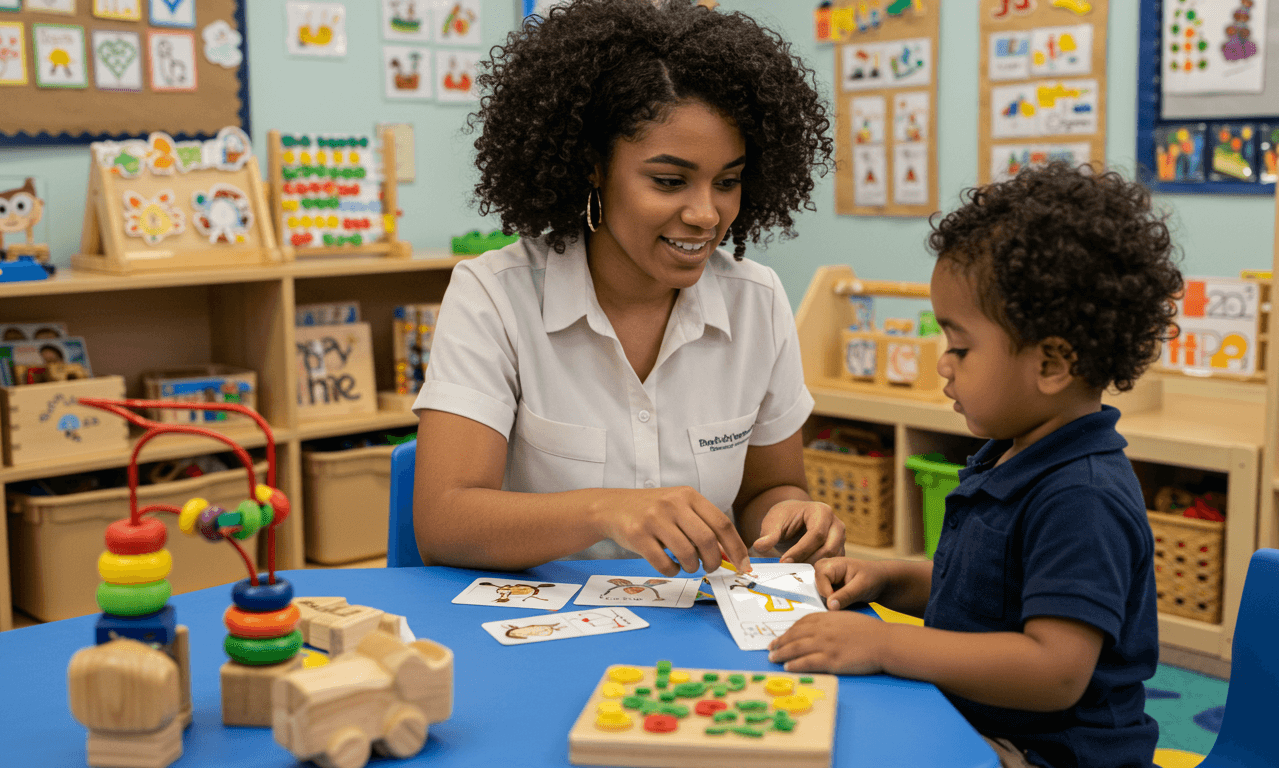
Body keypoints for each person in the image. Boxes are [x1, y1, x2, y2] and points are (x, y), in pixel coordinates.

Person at [768, 163, 1184, 768]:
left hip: (1052, 755)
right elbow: (994, 596)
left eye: (960, 347)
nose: (944, 363)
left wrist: (886, 642)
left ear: (1051, 364)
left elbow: (1053, 670)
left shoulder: (1082, 497)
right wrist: (892, 579)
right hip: (986, 726)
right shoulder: (1013, 453)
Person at [412, 0, 842, 578]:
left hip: (691, 639)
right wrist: (604, 511)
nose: (706, 214)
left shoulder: (757, 300)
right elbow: (444, 523)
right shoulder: (494, 296)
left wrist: (791, 515)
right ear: (594, 166)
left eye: (729, 182)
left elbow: (771, 487)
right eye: (669, 181)